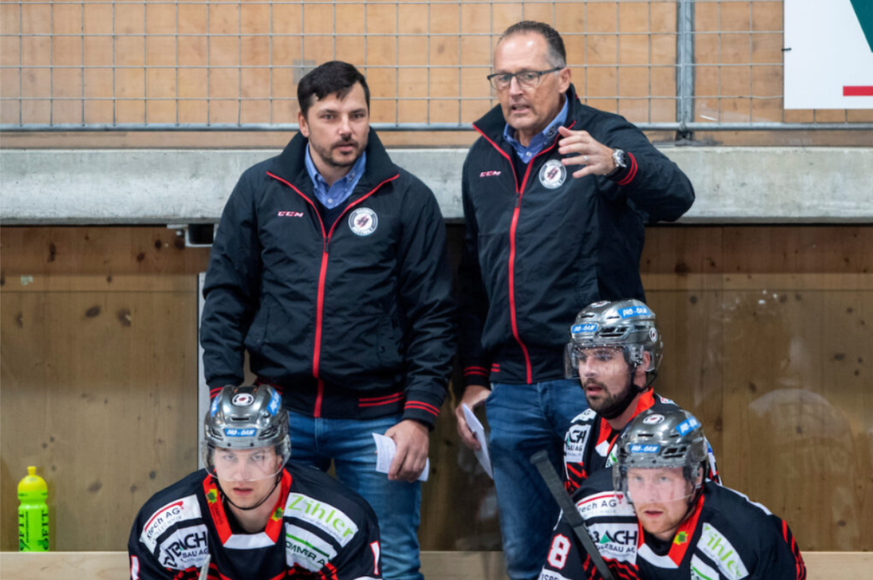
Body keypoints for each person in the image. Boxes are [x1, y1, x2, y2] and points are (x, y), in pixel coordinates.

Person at [454, 21, 694, 579]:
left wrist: (618, 163)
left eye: (529, 75)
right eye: (503, 77)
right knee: (527, 557)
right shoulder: (482, 158)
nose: (514, 90)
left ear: (563, 78)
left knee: (618, 548)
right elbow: (474, 280)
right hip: (511, 388)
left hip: (592, 385)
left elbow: (677, 193)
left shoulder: (603, 135)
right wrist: (472, 373)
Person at [200, 61, 456, 580]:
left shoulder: (408, 199)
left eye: (357, 115)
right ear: (303, 122)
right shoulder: (260, 190)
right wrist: (223, 392)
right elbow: (226, 295)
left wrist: (420, 415)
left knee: (393, 560)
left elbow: (434, 314)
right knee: (281, 560)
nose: (346, 128)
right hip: (279, 419)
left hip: (379, 420)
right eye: (330, 115)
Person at [128, 385, 382, 580]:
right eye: (228, 456)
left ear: (280, 456)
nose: (241, 475)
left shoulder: (339, 521)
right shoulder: (165, 525)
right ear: (212, 457)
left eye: (257, 456)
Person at [538, 408, 807, 580]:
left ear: (696, 477)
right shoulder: (593, 510)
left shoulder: (748, 536)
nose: (650, 496)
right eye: (638, 478)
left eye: (663, 478)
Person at [562, 299, 719, 494]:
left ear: (642, 361)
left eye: (603, 356)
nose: (588, 370)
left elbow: (703, 518)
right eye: (582, 358)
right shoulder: (579, 430)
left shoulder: (676, 435)